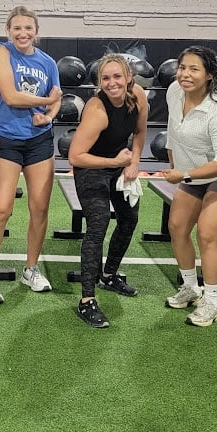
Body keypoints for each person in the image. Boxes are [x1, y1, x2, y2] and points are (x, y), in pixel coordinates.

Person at [0, 6, 61, 305]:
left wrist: (49, 115)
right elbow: (11, 96)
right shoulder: (1, 52)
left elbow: (57, 99)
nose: (22, 33)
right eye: (17, 28)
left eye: (28, 28)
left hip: (39, 142)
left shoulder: (48, 62)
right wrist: (46, 100)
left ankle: (31, 269)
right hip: (8, 139)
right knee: (1, 209)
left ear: (36, 31)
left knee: (40, 208)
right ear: (8, 31)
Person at [162, 46, 217, 327]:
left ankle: (212, 303)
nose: (185, 74)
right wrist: (177, 168)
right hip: (190, 176)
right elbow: (173, 131)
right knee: (177, 227)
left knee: (207, 235)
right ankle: (190, 288)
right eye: (182, 67)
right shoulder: (174, 91)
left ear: (210, 75)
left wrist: (184, 174)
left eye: (194, 69)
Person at [67, 54, 148, 328]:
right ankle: (86, 300)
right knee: (98, 224)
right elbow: (76, 157)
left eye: (117, 77)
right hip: (91, 167)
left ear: (128, 78)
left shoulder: (138, 97)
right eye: (105, 78)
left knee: (129, 218)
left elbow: (139, 132)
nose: (112, 83)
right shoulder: (97, 111)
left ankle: (109, 274)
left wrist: (134, 163)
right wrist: (116, 162)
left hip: (118, 163)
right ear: (99, 83)